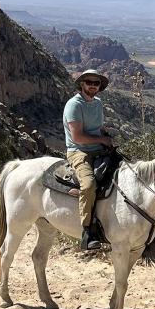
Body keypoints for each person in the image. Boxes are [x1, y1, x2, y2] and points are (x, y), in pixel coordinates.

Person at [63, 69, 113, 250]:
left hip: (98, 149)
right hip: (79, 152)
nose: (93, 85)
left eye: (96, 83)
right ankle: (87, 231)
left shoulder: (98, 103)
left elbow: (97, 129)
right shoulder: (74, 105)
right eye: (89, 82)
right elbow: (77, 137)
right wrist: (101, 140)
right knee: (89, 184)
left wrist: (104, 135)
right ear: (82, 84)